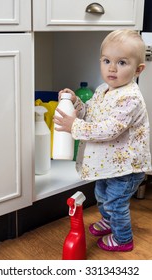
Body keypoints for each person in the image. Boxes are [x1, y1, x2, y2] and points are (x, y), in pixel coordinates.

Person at [53, 29, 152, 252]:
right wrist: (76, 104)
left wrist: (74, 127)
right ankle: (109, 221)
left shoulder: (130, 98)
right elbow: (91, 114)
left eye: (122, 62)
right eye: (107, 60)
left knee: (116, 203)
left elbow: (109, 130)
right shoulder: (102, 90)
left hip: (126, 167)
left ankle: (123, 238)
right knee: (102, 194)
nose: (112, 68)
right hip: (109, 164)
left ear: (138, 70)